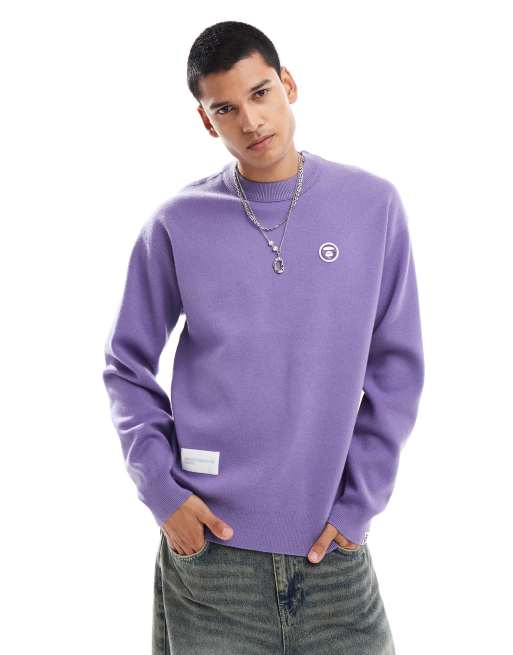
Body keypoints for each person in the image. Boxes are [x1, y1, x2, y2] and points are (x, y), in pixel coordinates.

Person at [102, 20, 424, 655]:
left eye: (260, 93)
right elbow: (126, 366)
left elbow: (396, 366)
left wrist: (358, 506)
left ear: (288, 85)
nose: (250, 121)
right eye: (225, 108)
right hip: (212, 559)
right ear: (206, 120)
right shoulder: (177, 223)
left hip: (333, 553)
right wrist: (162, 493)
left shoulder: (372, 206)